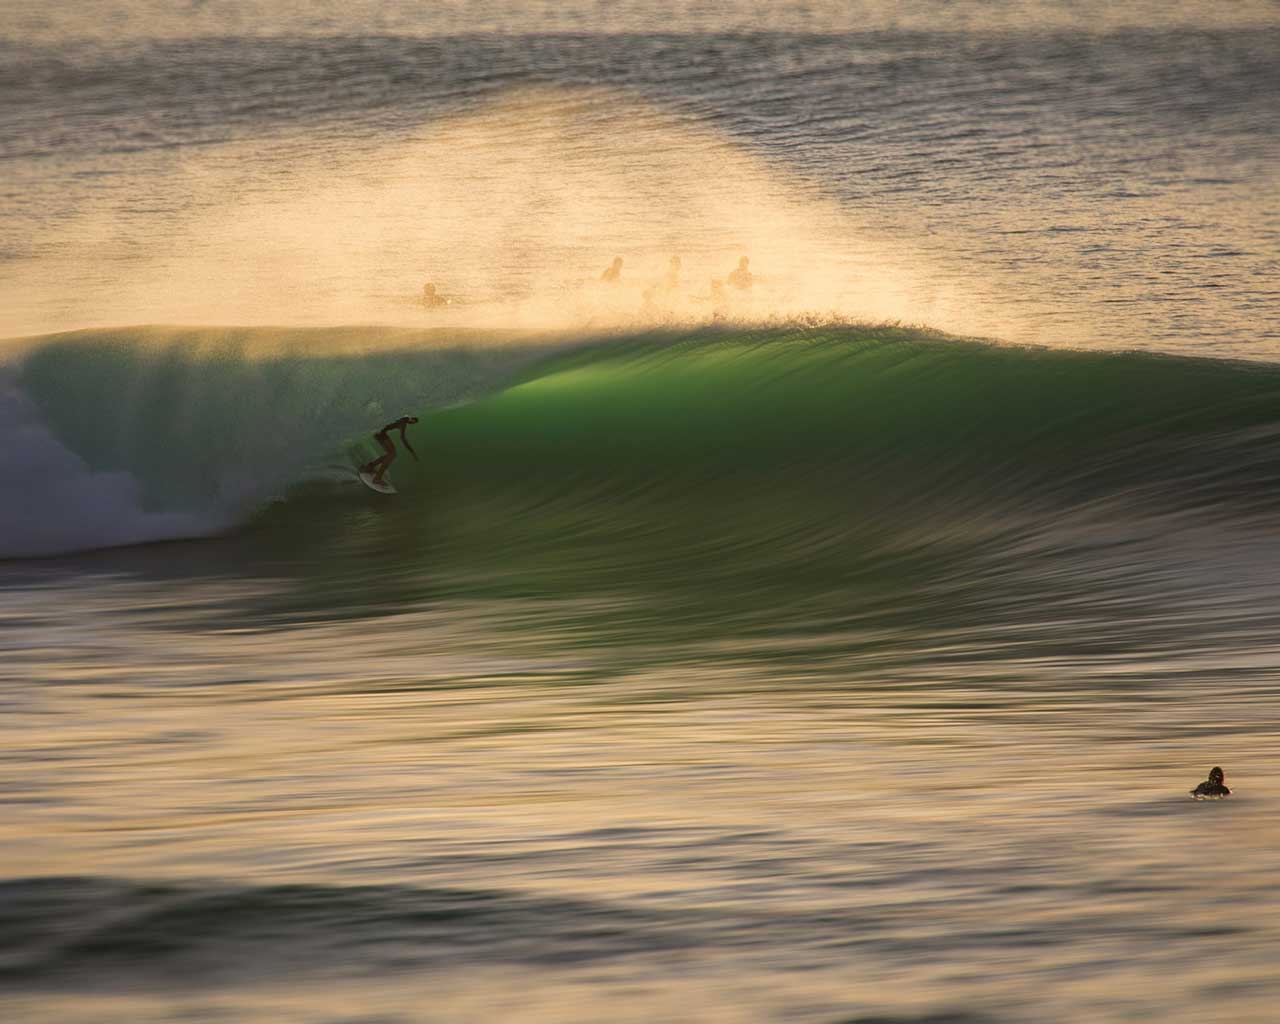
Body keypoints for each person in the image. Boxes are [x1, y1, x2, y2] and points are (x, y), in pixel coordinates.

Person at [360, 415, 419, 486]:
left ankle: (369, 467)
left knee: (390, 454)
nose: (412, 424)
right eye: (413, 423)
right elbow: (403, 439)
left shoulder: (402, 417)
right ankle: (377, 478)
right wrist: (412, 452)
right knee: (392, 455)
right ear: (412, 420)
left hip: (378, 431)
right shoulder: (403, 423)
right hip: (380, 433)